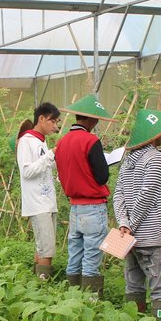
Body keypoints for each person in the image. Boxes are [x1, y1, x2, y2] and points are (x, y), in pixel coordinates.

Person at [114, 109, 161, 319]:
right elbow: (148, 194)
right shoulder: (155, 159)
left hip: (129, 239)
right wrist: (132, 223)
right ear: (154, 136)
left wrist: (124, 224)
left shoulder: (128, 161)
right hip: (151, 236)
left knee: (134, 284)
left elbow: (118, 195)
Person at [54, 95, 114, 296]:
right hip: (93, 206)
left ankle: (71, 297)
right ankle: (90, 302)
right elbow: (102, 176)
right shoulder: (90, 140)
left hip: (75, 207)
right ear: (91, 120)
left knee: (75, 254)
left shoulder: (62, 142)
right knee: (91, 256)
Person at [17, 103, 61, 279]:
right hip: (37, 203)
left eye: (57, 122)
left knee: (43, 246)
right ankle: (44, 289)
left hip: (47, 201)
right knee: (47, 250)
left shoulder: (40, 141)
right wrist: (50, 155)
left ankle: (36, 282)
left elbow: (44, 167)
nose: (55, 126)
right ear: (41, 119)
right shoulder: (26, 141)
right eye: (52, 121)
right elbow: (26, 171)